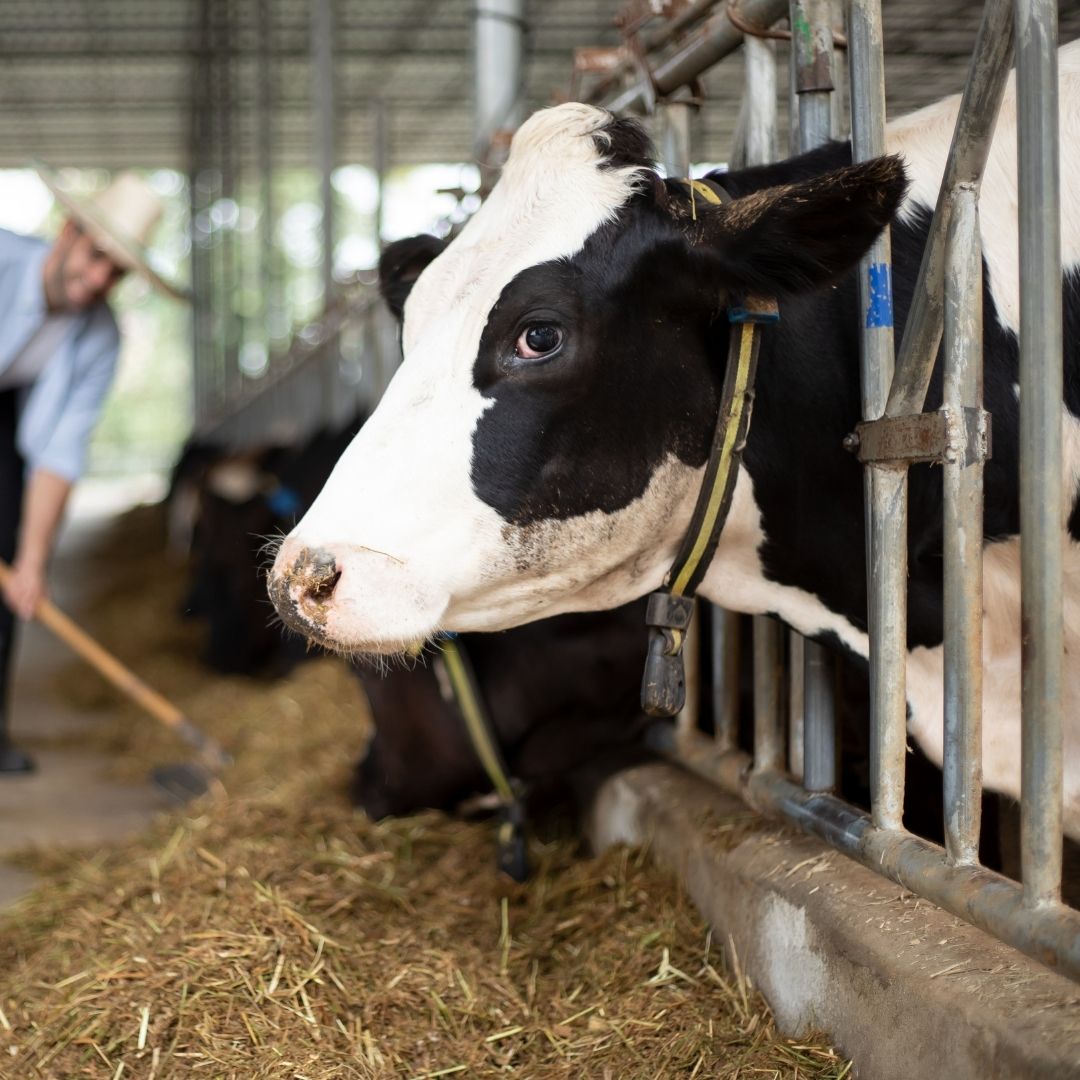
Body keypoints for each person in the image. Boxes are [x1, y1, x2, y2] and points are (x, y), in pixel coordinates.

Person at [0, 165, 186, 773]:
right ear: (66, 232)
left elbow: (59, 449)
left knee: (11, 565)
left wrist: (31, 564)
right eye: (95, 255)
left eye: (117, 270)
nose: (99, 277)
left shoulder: (100, 335)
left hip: (13, 424)